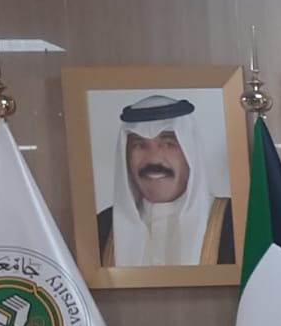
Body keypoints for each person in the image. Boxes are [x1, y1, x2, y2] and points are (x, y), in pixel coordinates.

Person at [98, 95, 234, 267]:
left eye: (168, 144)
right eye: (139, 145)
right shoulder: (102, 228)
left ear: (190, 152)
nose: (154, 158)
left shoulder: (235, 222)